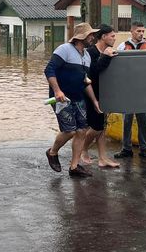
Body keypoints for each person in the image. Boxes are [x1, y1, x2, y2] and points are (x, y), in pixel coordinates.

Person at [44, 22, 103, 178]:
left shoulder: (87, 55)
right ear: (81, 37)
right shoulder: (65, 49)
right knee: (69, 131)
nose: (93, 38)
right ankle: (52, 152)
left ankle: (74, 167)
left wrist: (94, 101)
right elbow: (49, 69)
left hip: (79, 97)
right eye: (90, 35)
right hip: (62, 98)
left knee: (82, 130)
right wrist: (57, 90)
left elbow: (85, 80)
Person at [81, 24, 120, 168]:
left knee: (102, 128)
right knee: (96, 127)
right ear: (103, 37)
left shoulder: (110, 52)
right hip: (91, 94)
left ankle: (103, 158)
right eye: (112, 36)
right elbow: (92, 73)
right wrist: (105, 56)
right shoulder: (90, 52)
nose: (114, 39)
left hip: (105, 95)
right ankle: (82, 148)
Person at [114, 21, 146, 160]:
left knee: (143, 119)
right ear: (131, 32)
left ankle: (144, 149)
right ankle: (126, 149)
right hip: (127, 90)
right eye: (138, 31)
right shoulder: (122, 47)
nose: (141, 33)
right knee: (127, 120)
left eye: (143, 31)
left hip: (143, 90)